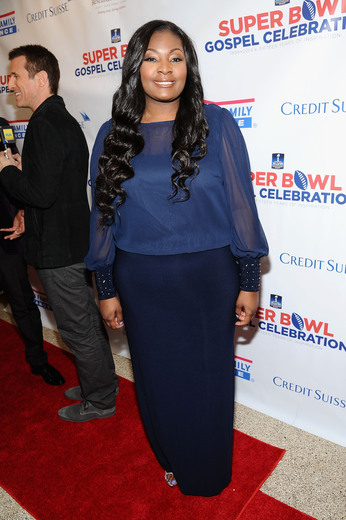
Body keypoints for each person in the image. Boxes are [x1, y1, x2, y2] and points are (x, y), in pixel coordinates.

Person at [85, 20, 268, 496]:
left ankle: (207, 471)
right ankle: (170, 455)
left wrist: (250, 277)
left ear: (189, 66)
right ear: (135, 68)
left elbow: (240, 207)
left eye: (176, 57)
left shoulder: (218, 124)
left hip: (210, 279)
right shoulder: (112, 135)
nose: (164, 68)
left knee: (209, 382)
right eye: (151, 57)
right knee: (156, 377)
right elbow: (104, 215)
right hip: (141, 282)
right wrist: (105, 287)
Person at [0, 45, 118, 422]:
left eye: (16, 75)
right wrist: (23, 177)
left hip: (59, 252)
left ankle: (100, 401)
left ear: (41, 78)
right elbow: (49, 189)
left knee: (77, 328)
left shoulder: (45, 124)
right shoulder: (58, 120)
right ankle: (102, 384)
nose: (10, 82)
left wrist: (5, 170)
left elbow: (40, 193)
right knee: (85, 321)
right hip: (69, 244)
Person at [0, 117, 64, 385]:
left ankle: (38, 362)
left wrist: (23, 211)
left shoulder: (2, 124)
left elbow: (16, 170)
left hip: (7, 230)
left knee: (22, 301)